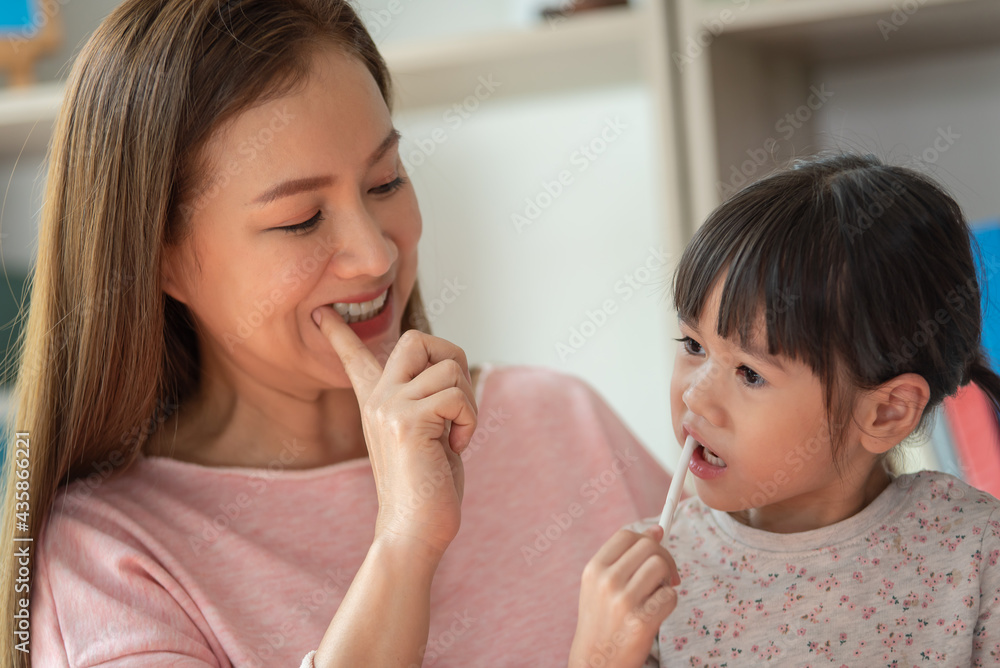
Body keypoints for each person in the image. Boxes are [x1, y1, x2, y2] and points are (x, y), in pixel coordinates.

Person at [0, 1, 673, 666]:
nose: (376, 255)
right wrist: (404, 547)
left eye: (385, 181)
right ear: (161, 257)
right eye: (301, 219)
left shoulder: (561, 424)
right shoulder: (108, 555)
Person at [568, 154, 1000, 667]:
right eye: (692, 345)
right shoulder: (656, 581)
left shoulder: (976, 557)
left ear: (886, 413)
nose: (695, 396)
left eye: (750, 373)